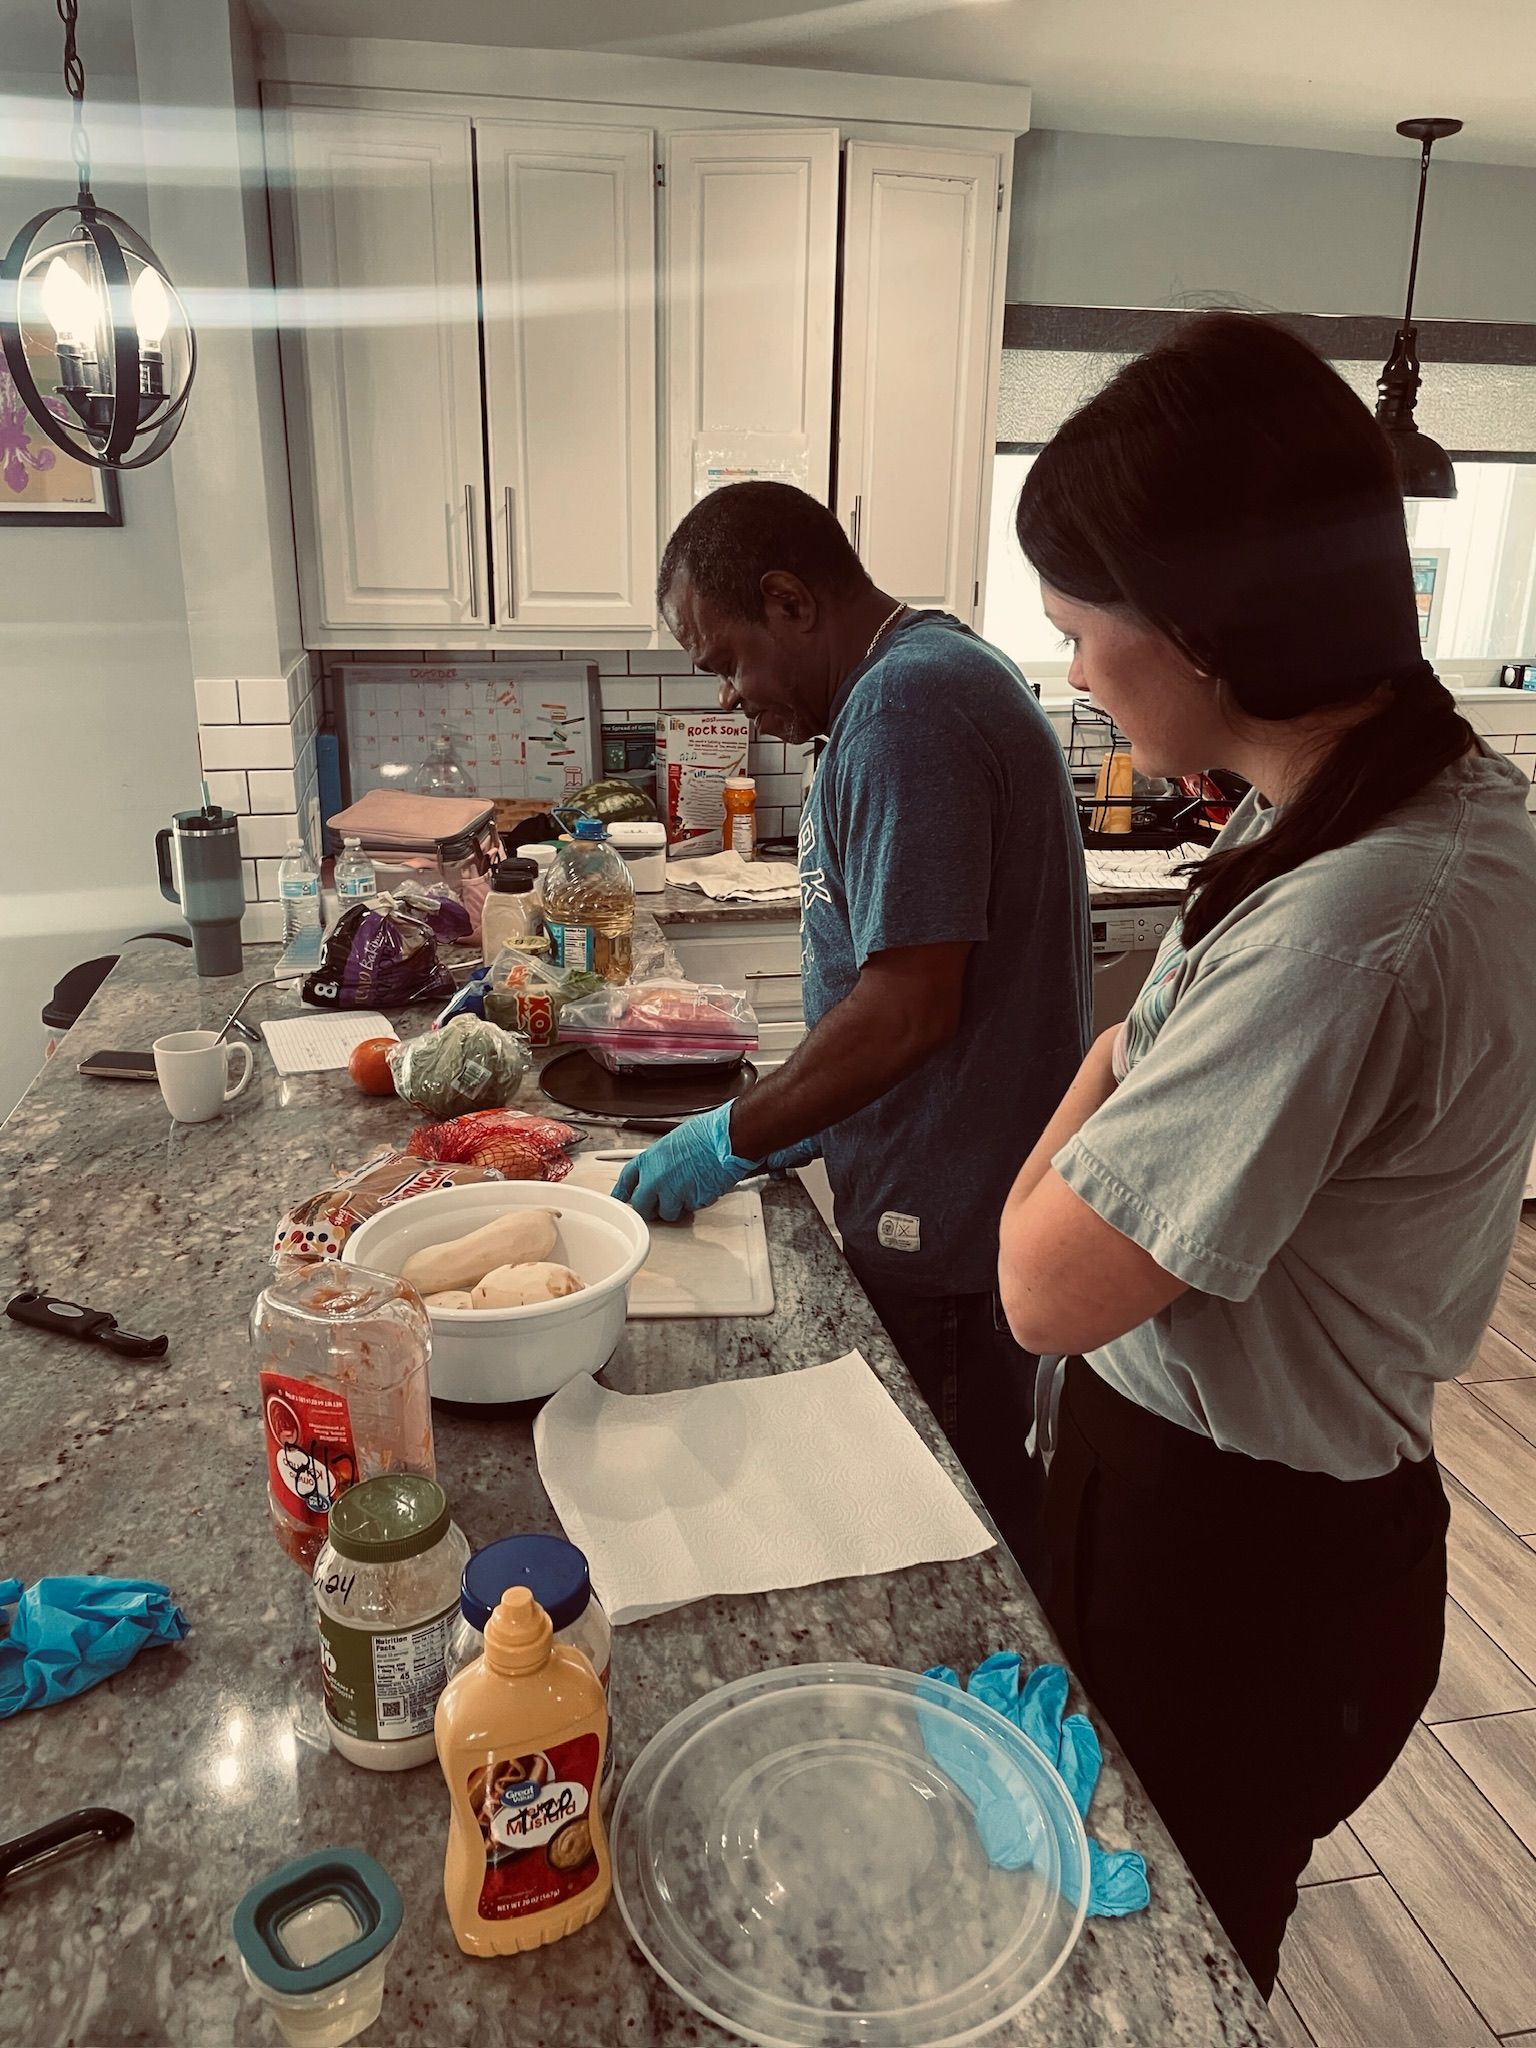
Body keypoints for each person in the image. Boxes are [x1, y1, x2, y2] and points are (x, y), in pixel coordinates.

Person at [996, 311, 1536, 1994]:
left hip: (1239, 1563)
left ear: (1205, 628)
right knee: (1142, 1916)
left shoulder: (1357, 916)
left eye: (1085, 631)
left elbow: (1043, 1283)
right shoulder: (1354, 800)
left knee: (1173, 1964)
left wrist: (1095, 1062)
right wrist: (1112, 1069)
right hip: (1226, 1510)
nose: (1076, 671)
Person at [614, 481, 1090, 1567]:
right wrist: (777, 1129)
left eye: (726, 660)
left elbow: (907, 1009)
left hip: (954, 1224)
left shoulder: (905, 712)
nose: (731, 697)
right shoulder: (913, 682)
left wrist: (730, 1134)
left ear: (790, 601)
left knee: (951, 1542)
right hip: (953, 1197)